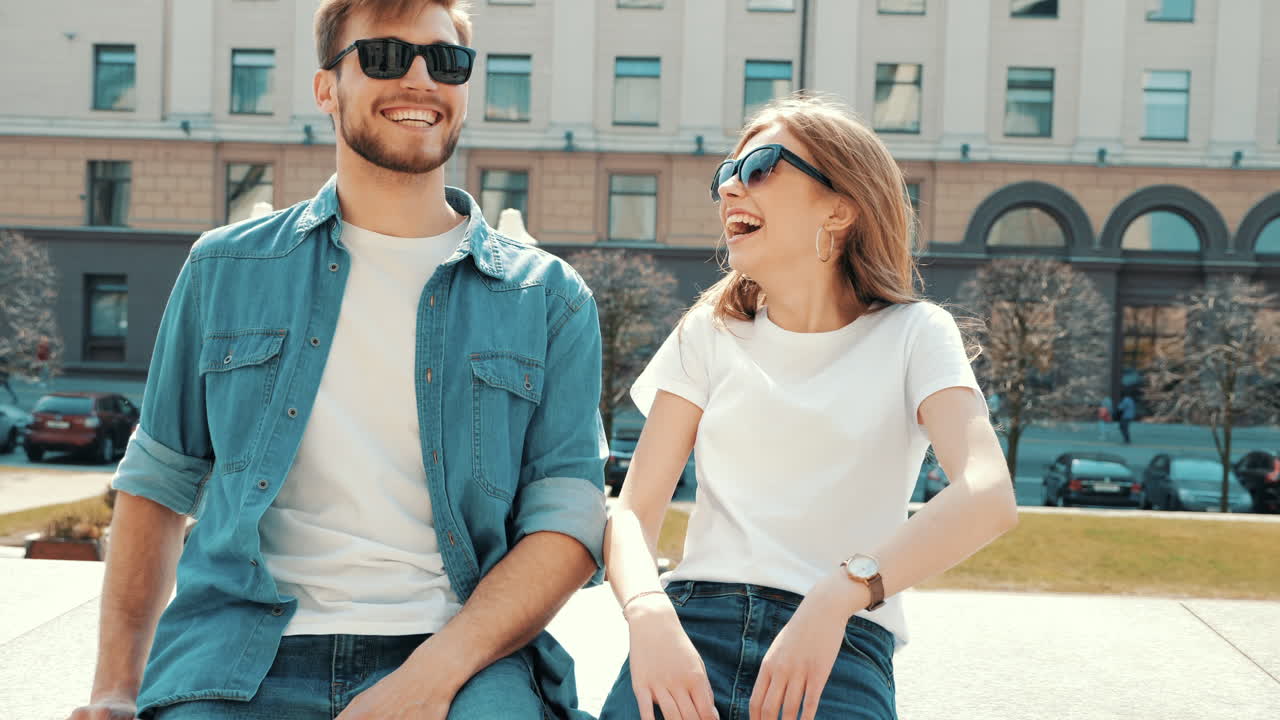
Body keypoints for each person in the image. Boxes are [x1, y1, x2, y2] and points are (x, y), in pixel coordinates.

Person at [66, 2, 607, 719]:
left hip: (461, 654)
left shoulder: (549, 297)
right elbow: (157, 484)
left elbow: (567, 524)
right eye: (384, 57)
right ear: (327, 88)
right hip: (239, 655)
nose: (420, 80)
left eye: (445, 62)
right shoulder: (224, 268)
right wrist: (113, 688)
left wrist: (428, 680)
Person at [599, 94, 1019, 720]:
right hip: (688, 628)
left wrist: (838, 597)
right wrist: (647, 613)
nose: (731, 189)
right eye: (725, 175)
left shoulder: (915, 333)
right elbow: (632, 511)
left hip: (839, 647)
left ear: (841, 206)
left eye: (762, 166)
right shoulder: (708, 332)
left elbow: (987, 493)